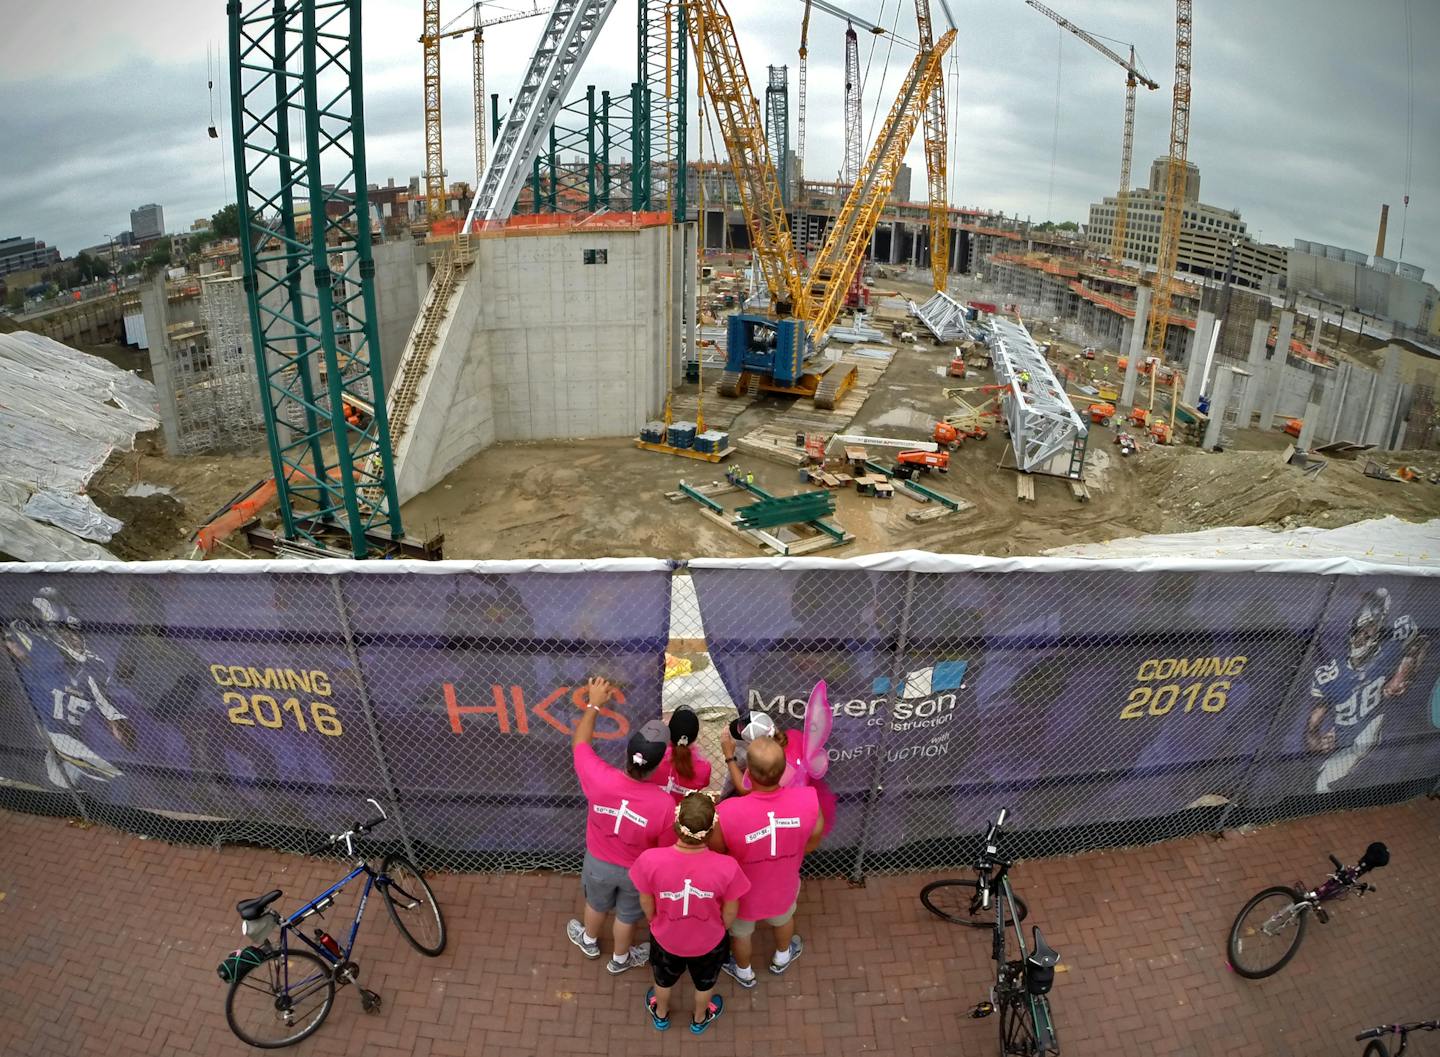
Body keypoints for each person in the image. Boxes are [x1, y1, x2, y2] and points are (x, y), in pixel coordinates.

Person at [567, 676, 676, 974]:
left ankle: (589, 940)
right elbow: (665, 848)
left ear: (628, 754)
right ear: (655, 767)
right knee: (627, 916)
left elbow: (580, 743)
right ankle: (619, 959)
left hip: (598, 862)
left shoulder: (600, 779)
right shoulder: (664, 805)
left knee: (596, 904)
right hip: (635, 871)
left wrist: (594, 704)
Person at [630, 792, 750, 1035]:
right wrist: (721, 928)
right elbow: (731, 908)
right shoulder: (727, 867)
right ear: (710, 830)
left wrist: (654, 919)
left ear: (676, 823)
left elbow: (645, 898)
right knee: (705, 984)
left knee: (662, 980)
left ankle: (661, 1013)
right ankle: (699, 1017)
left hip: (666, 937)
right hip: (709, 941)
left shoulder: (650, 860)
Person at [710, 736, 823, 988]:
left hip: (742, 893)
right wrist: (793, 854)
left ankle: (744, 971)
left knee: (741, 934)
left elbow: (718, 850)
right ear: (783, 771)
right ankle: (782, 956)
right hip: (783, 884)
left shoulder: (726, 813)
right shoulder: (807, 801)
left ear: (748, 770)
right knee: (783, 920)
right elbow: (815, 835)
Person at [1306, 588, 1427, 794]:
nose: (1361, 639)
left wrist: (1402, 673)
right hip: (1343, 741)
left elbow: (1421, 641)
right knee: (1320, 782)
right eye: (1358, 631)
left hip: (1373, 737)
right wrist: (1316, 740)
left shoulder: (1389, 649)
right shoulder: (1331, 674)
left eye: (1368, 632)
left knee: (1327, 781)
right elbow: (1316, 717)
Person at [647, 707, 713, 802]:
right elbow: (703, 784)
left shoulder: (653, 756)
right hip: (682, 813)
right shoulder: (704, 767)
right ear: (695, 737)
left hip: (652, 804)